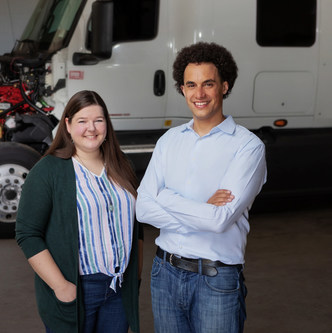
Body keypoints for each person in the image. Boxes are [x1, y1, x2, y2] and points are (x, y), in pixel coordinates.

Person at [136, 42, 267, 332]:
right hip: (164, 274)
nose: (199, 94)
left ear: (224, 86)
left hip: (215, 279)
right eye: (191, 85)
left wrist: (166, 197)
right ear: (182, 89)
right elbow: (143, 209)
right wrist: (202, 210)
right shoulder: (169, 141)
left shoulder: (247, 147)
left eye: (208, 84)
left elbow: (219, 221)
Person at [16, 90, 142, 333]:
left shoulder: (121, 165)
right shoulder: (49, 170)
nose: (91, 128)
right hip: (79, 288)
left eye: (98, 120)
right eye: (82, 121)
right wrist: (61, 286)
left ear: (107, 123)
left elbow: (136, 226)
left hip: (119, 290)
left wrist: (134, 277)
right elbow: (27, 234)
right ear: (68, 125)